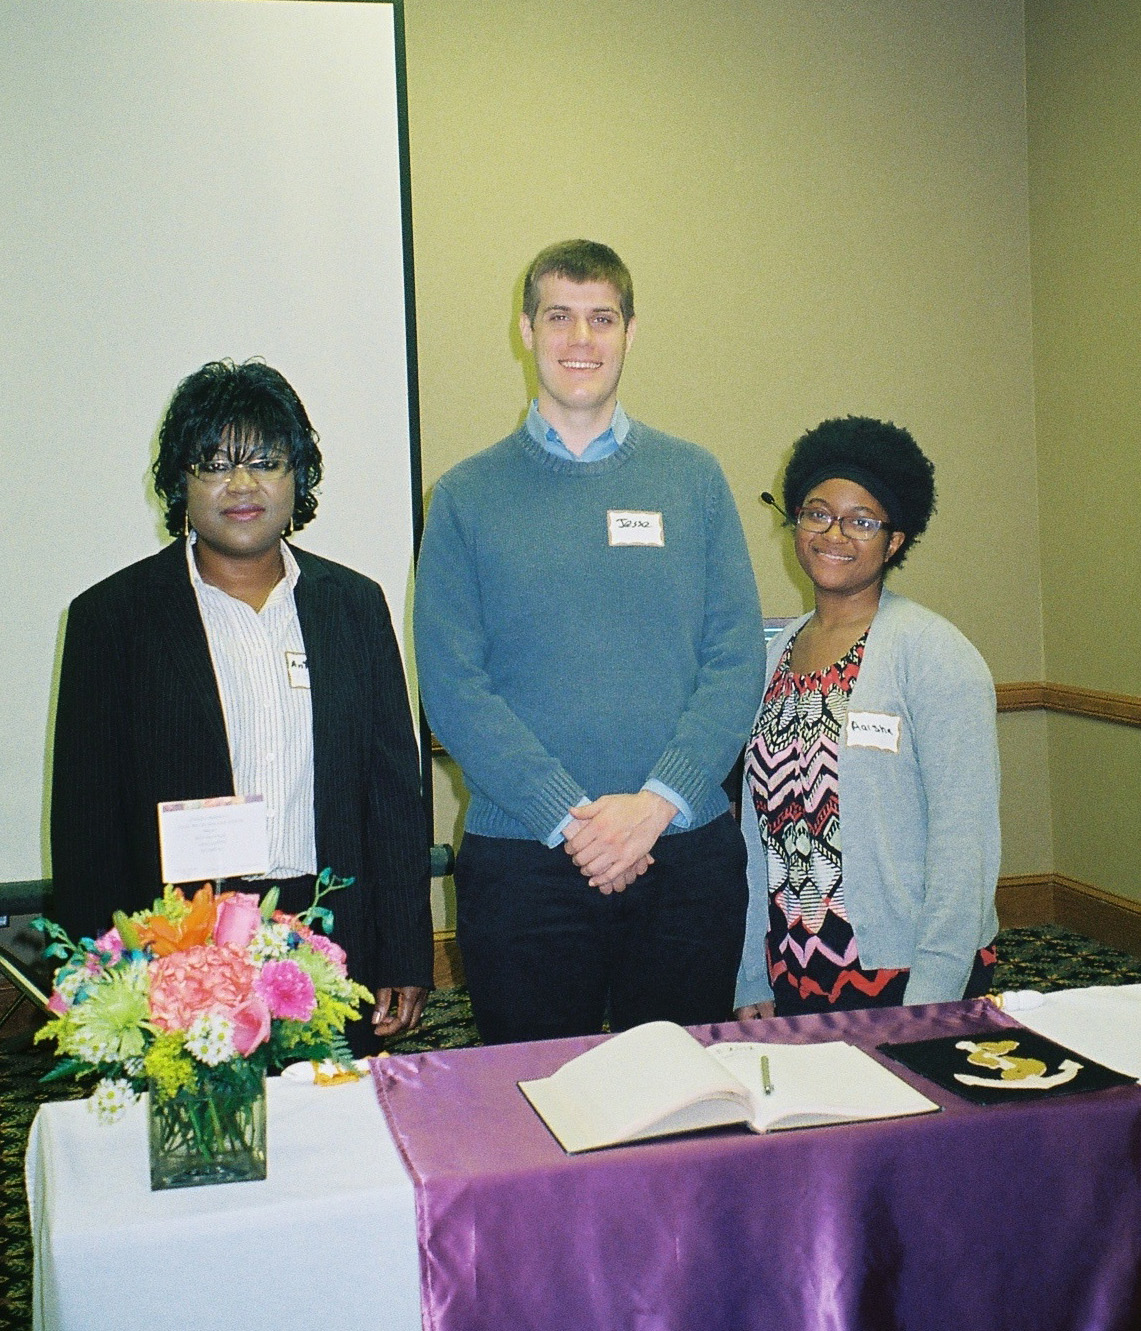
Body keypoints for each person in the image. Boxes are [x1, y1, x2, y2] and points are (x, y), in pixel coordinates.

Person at [414, 240, 764, 1044]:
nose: (581, 339)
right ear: (526, 330)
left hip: (683, 853)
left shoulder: (693, 478)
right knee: (534, 1111)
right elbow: (454, 684)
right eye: (560, 316)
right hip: (526, 863)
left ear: (630, 332)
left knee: (682, 1112)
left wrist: (653, 806)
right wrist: (571, 820)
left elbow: (735, 657)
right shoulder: (465, 497)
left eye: (601, 318)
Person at [50, 358, 433, 1048]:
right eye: (215, 463)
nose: (242, 484)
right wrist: (98, 978)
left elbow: (393, 798)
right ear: (180, 482)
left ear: (298, 478)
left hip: (334, 939)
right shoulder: (112, 618)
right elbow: (86, 824)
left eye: (266, 461)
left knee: (333, 1145)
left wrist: (405, 949)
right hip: (175, 953)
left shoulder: (354, 607)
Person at [735, 416, 1000, 1019]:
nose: (834, 533)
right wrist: (752, 973)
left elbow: (968, 845)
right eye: (817, 512)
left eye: (862, 521)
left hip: (906, 970)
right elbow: (756, 831)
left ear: (895, 540)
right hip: (794, 969)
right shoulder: (775, 656)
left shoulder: (934, 655)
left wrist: (933, 994)